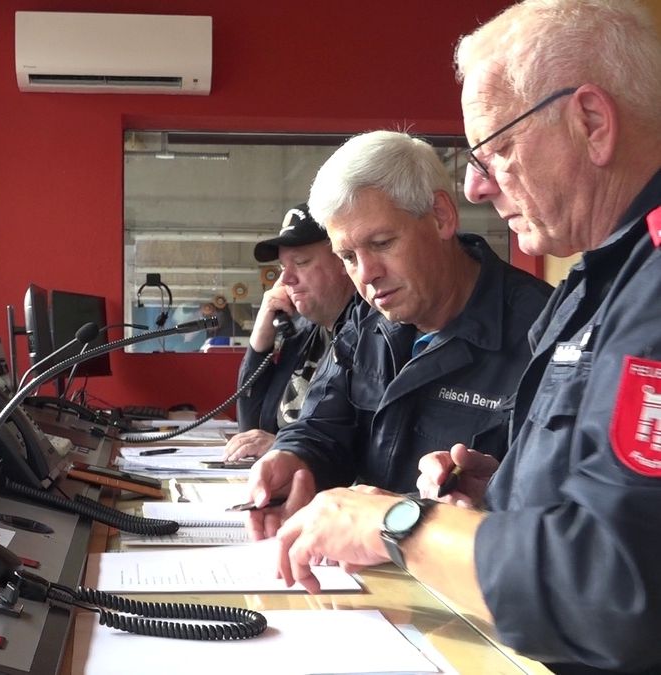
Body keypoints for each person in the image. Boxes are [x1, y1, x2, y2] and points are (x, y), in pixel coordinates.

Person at [272, 1, 661, 673]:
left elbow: (617, 588)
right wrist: (504, 493)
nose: (479, 186)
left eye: (498, 150)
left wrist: (400, 525)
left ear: (592, 123)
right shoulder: (602, 281)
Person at [246, 129, 552, 532]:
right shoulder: (365, 320)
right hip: (364, 562)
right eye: (348, 256)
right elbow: (323, 425)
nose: (366, 274)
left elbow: (553, 507)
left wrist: (482, 500)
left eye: (382, 243)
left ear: (441, 216)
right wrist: (291, 458)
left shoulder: (544, 332)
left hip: (463, 566)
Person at [224, 204, 356, 461]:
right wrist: (261, 338)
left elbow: (363, 446)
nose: (286, 279)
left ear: (343, 259)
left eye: (301, 262)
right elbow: (251, 427)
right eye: (283, 267)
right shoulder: (303, 334)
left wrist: (286, 447)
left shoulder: (368, 338)